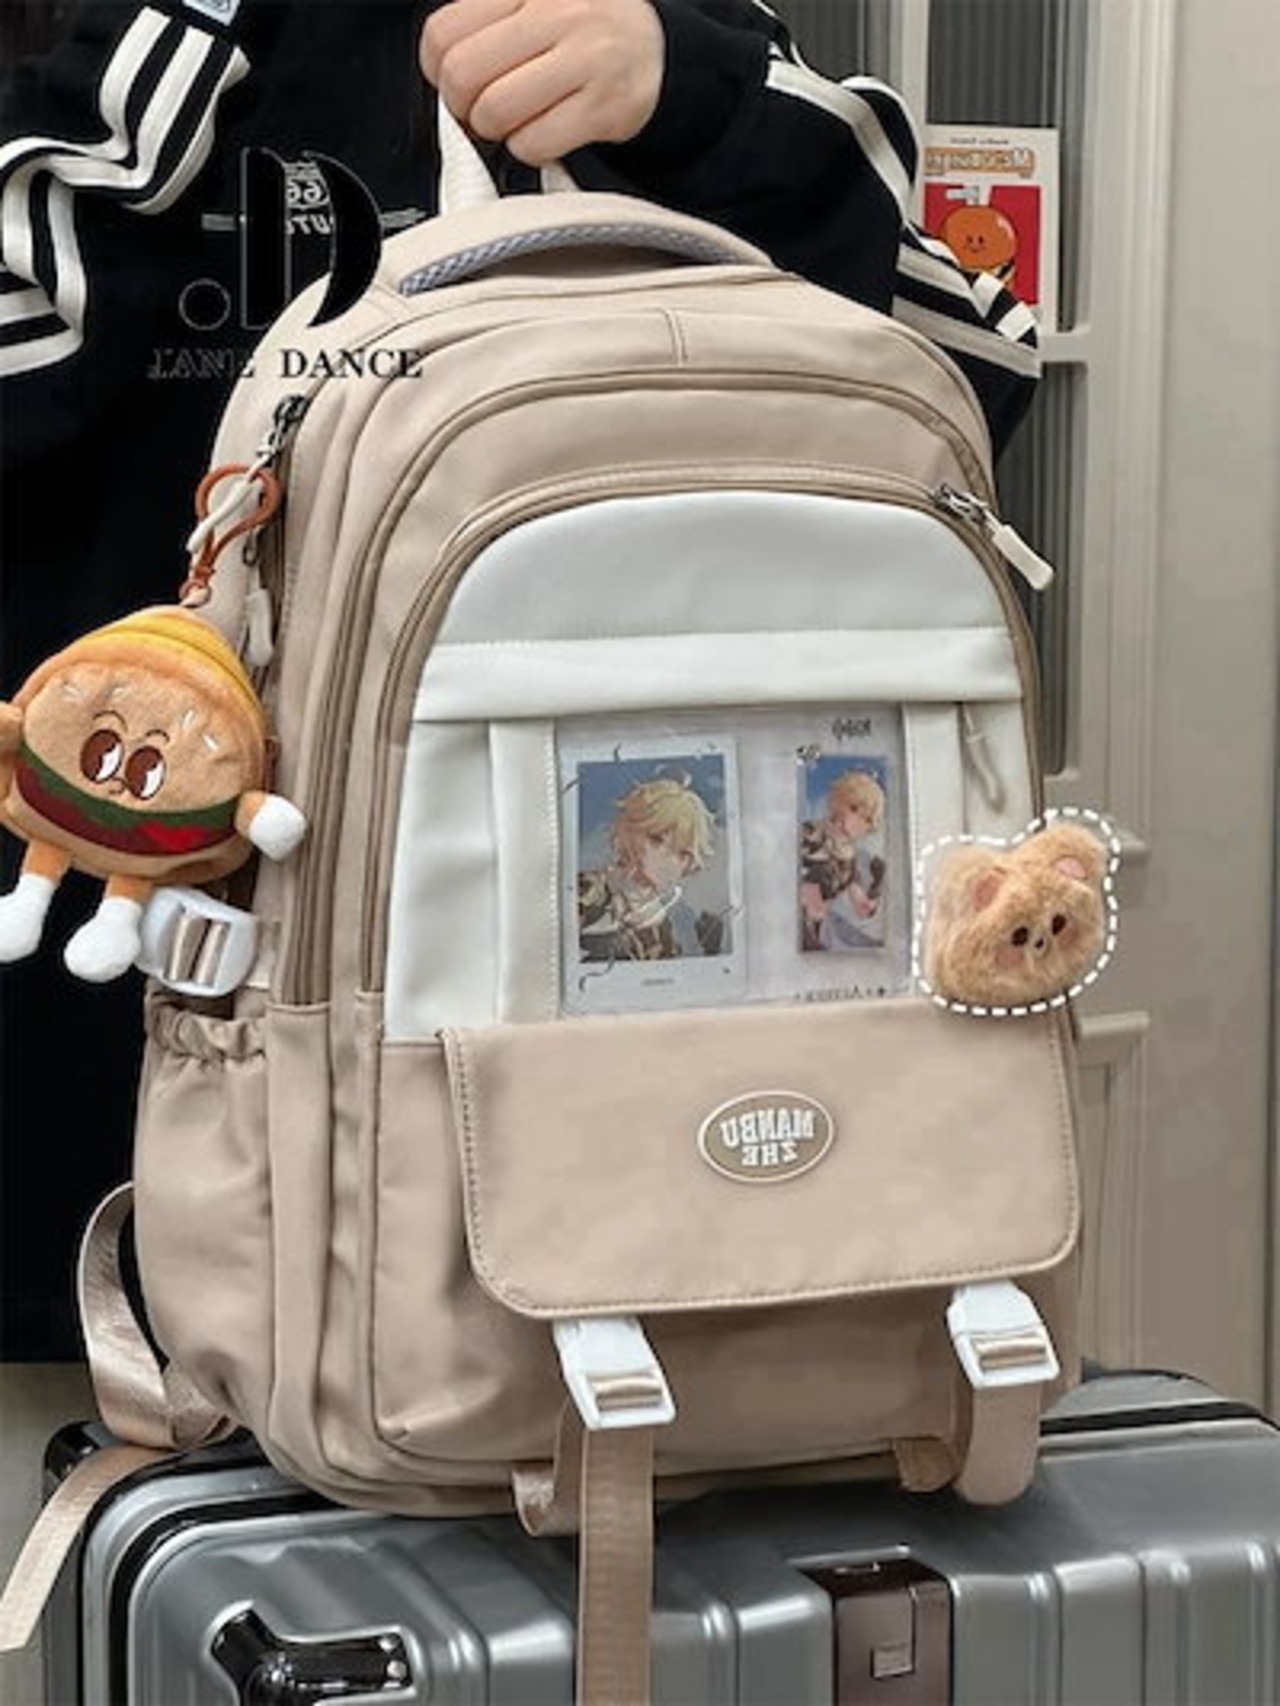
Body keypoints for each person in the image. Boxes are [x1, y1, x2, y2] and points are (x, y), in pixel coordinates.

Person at [0, 0, 1040, 1356]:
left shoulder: (657, 30)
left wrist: (691, 91)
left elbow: (967, 370)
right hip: (128, 1098)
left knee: (625, 1431)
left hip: (643, 1090)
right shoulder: (152, 60)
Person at [578, 773, 724, 962]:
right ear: (629, 832)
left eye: (682, 854)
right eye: (657, 839)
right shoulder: (588, 892)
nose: (668, 859)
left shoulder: (682, 921)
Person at [799, 766, 887, 952]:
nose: (858, 823)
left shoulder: (848, 860)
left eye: (867, 820)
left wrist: (871, 897)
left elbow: (860, 904)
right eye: (854, 809)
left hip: (818, 930)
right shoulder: (811, 834)